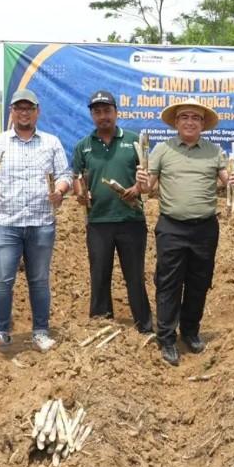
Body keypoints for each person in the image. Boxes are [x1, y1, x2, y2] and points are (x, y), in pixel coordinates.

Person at [136, 97, 234, 366]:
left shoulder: (214, 151)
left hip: (205, 229)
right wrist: (141, 182)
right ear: (176, 122)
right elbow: (147, 187)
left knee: (199, 282)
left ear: (203, 124)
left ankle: (191, 331)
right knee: (169, 283)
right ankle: (167, 337)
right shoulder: (162, 150)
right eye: (184, 117)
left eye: (196, 118)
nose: (190, 122)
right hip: (171, 228)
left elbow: (228, 182)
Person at [0, 89, 71, 352]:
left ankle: (40, 333)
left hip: (41, 223)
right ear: (12, 112)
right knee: (1, 281)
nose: (24, 113)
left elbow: (65, 174)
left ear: (37, 112)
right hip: (6, 223)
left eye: (29, 108)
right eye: (19, 108)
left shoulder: (51, 143)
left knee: (38, 280)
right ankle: (0, 332)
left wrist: (60, 189)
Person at [72, 90, 153, 332]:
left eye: (107, 111)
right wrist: (80, 193)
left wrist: (136, 188)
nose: (103, 116)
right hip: (98, 221)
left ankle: (144, 326)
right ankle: (100, 324)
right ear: (92, 115)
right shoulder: (83, 146)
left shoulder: (134, 141)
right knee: (99, 274)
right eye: (97, 112)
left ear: (116, 112)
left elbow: (147, 179)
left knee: (135, 275)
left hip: (131, 219)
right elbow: (77, 178)